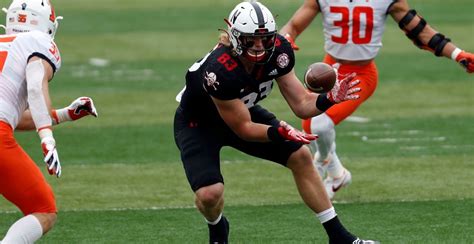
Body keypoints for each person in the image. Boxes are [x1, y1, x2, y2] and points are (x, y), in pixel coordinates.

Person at [174, 1, 378, 243]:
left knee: (301, 156)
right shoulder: (219, 69)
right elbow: (245, 129)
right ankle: (217, 226)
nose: (260, 46)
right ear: (235, 36)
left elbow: (301, 103)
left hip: (243, 110)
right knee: (210, 194)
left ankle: (340, 238)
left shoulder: (279, 50)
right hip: (199, 123)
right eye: (252, 40)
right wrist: (280, 132)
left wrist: (330, 98)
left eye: (266, 39)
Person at [280, 0, 474, 199]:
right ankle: (338, 175)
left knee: (319, 126)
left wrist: (458, 54)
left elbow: (419, 31)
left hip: (361, 75)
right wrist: (285, 39)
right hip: (330, 70)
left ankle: (321, 161)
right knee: (310, 124)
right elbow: (293, 25)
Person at [0, 0, 98, 243]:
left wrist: (63, 114)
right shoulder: (39, 42)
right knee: (43, 209)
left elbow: (12, 116)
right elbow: (34, 86)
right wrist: (47, 138)